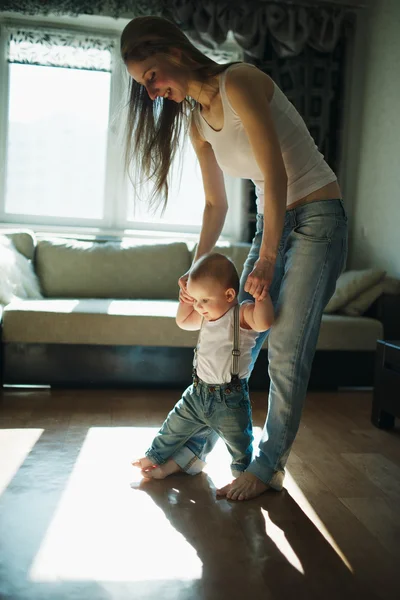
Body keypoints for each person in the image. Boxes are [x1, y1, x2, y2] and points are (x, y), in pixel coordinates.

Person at [121, 15, 348, 500]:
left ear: (173, 52)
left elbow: (276, 172)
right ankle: (191, 451)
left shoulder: (240, 81)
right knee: (232, 339)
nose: (153, 91)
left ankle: (267, 468)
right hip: (275, 225)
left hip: (318, 219)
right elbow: (214, 204)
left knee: (285, 348)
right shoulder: (196, 122)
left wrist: (266, 257)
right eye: (145, 86)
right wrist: (194, 271)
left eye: (151, 77)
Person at [132, 252, 274, 479]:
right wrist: (185, 301)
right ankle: (155, 456)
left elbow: (265, 321)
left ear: (229, 294)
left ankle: (241, 474)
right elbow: (183, 321)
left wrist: (261, 299)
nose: (199, 307)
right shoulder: (206, 315)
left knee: (239, 442)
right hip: (196, 394)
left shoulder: (241, 315)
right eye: (196, 300)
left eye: (204, 300)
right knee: (173, 426)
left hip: (229, 400)